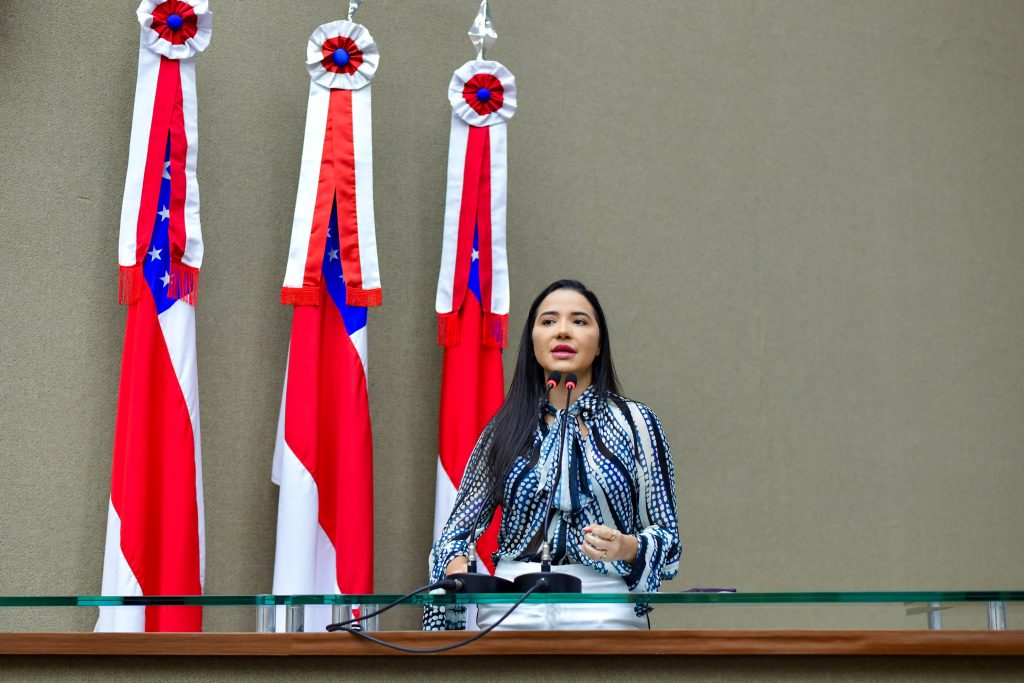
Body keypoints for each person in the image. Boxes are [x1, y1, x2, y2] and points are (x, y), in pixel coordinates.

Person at [424, 279, 680, 631]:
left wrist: (627, 546)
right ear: (532, 341)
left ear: (600, 342)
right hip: (513, 602)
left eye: (579, 321)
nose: (562, 331)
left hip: (605, 600)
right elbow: (454, 535)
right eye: (548, 321)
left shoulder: (638, 425)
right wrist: (457, 567)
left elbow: (669, 539)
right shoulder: (504, 428)